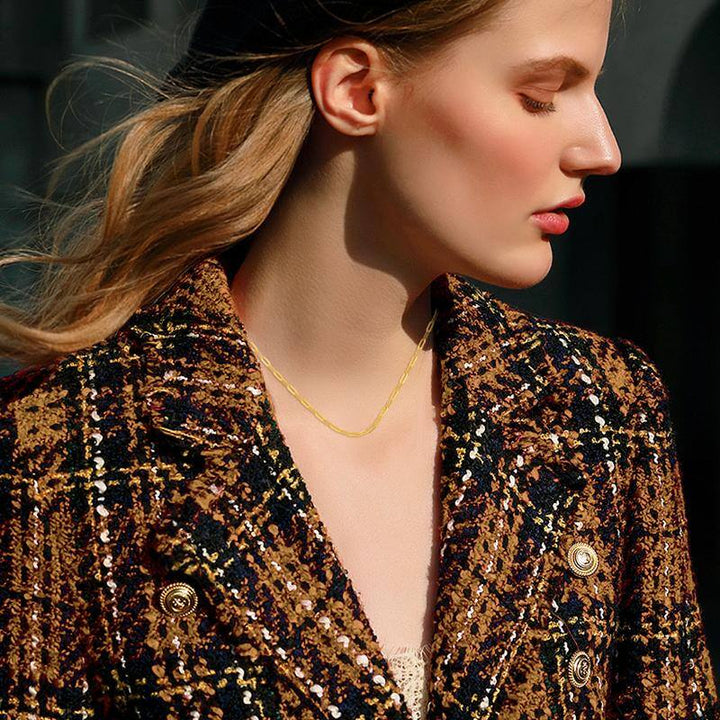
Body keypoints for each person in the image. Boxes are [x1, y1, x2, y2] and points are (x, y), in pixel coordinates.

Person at [0, 0, 718, 717]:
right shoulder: (55, 452)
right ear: (356, 90)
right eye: (540, 95)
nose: (602, 149)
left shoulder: (595, 409)